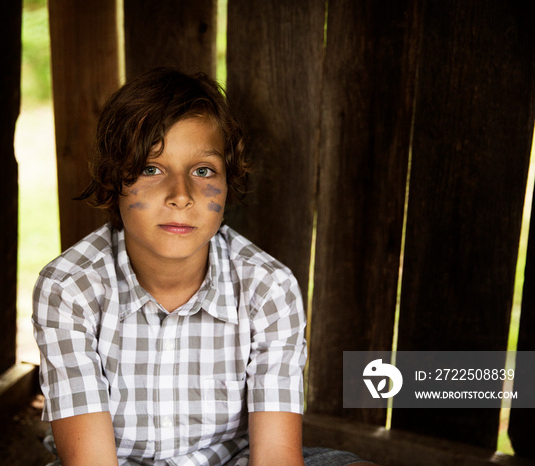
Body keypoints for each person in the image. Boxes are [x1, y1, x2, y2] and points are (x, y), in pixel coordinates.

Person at [33, 67, 373, 465]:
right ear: (114, 181)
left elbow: (276, 458)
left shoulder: (268, 288)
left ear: (228, 184)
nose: (181, 195)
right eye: (151, 168)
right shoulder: (69, 288)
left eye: (203, 171)